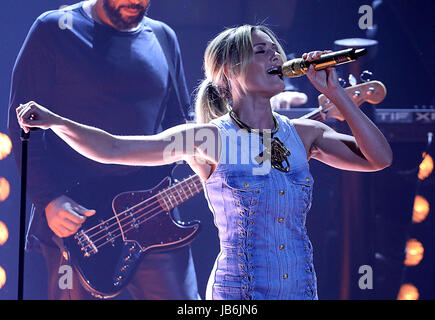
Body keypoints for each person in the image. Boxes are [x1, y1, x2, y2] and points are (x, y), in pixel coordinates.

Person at [16, 24, 393, 300]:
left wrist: (338, 95)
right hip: (238, 297)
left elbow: (379, 158)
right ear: (230, 72)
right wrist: (57, 122)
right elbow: (113, 148)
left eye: (275, 50)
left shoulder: (304, 134)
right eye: (260, 51)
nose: (275, 57)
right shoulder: (207, 138)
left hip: (301, 290)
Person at [8, 0, 199, 300]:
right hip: (78, 220)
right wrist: (48, 198)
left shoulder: (163, 37)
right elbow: (23, 125)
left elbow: (180, 123)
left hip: (153, 212)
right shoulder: (54, 29)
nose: (137, 2)